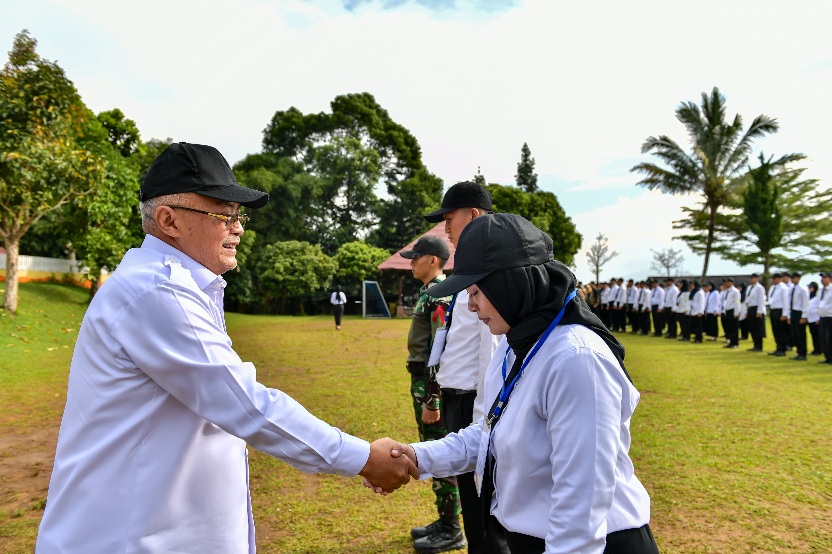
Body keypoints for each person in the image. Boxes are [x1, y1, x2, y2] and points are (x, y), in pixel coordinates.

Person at [35, 142, 416, 553]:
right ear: (168, 220)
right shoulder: (157, 292)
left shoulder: (173, 286)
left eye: (239, 216)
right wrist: (362, 457)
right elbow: (248, 405)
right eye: (224, 214)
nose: (238, 228)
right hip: (130, 538)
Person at [390, 214, 658, 554]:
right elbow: (489, 433)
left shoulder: (576, 360)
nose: (470, 306)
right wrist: (417, 455)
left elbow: (581, 511)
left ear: (510, 284)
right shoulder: (513, 344)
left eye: (475, 292)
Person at [422, 181, 508, 554]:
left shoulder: (489, 270)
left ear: (472, 215)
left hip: (476, 401)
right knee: (473, 505)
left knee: (484, 506)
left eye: (448, 219)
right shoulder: (470, 268)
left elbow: (490, 349)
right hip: (459, 397)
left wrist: (481, 419)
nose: (445, 230)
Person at [399, 234, 465, 553]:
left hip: (429, 384)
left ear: (433, 261)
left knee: (438, 452)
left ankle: (452, 528)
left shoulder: (439, 296)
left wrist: (433, 398)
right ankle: (445, 519)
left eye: (416, 257)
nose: (411, 262)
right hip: (423, 381)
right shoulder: (431, 292)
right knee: (431, 448)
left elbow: (441, 349)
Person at [788, 272, 810, 361]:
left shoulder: (803, 289)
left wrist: (804, 316)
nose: (792, 279)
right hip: (793, 312)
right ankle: (798, 352)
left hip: (800, 312)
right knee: (795, 334)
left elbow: (806, 303)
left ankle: (803, 353)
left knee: (801, 334)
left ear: (798, 278)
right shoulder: (793, 288)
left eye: (794, 278)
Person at [768, 273, 791, 356]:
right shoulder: (773, 288)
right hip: (773, 310)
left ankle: (782, 349)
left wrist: (785, 314)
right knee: (775, 331)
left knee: (781, 331)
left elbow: (786, 302)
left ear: (779, 279)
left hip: (780, 310)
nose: (773, 280)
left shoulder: (783, 288)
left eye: (775, 278)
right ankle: (778, 347)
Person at [745, 273, 767, 352]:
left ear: (756, 278)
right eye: (750, 278)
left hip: (757, 308)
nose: (751, 280)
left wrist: (759, 311)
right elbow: (747, 299)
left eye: (753, 278)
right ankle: (755, 344)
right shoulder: (749, 287)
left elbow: (761, 300)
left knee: (758, 328)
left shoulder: (760, 288)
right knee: (752, 328)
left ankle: (759, 345)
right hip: (750, 308)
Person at [817, 272, 832, 365]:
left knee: (830, 338)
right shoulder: (820, 290)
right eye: (822, 277)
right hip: (823, 316)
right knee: (823, 338)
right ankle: (827, 356)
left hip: (830, 316)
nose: (823, 279)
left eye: (825, 277)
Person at [723, 278, 741, 349]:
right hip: (727, 310)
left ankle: (735, 343)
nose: (725, 284)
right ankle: (731, 342)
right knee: (729, 328)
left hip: (733, 310)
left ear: (731, 283)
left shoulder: (735, 291)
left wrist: (736, 312)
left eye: (727, 282)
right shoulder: (727, 291)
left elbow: (737, 302)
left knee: (734, 328)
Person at [807, 282, 822, 356]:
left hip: (816, 318)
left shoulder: (818, 296)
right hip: (810, 317)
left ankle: (819, 349)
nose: (810, 289)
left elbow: (820, 307)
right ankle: (815, 348)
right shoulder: (809, 296)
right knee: (812, 334)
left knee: (817, 335)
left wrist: (818, 318)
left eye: (811, 287)